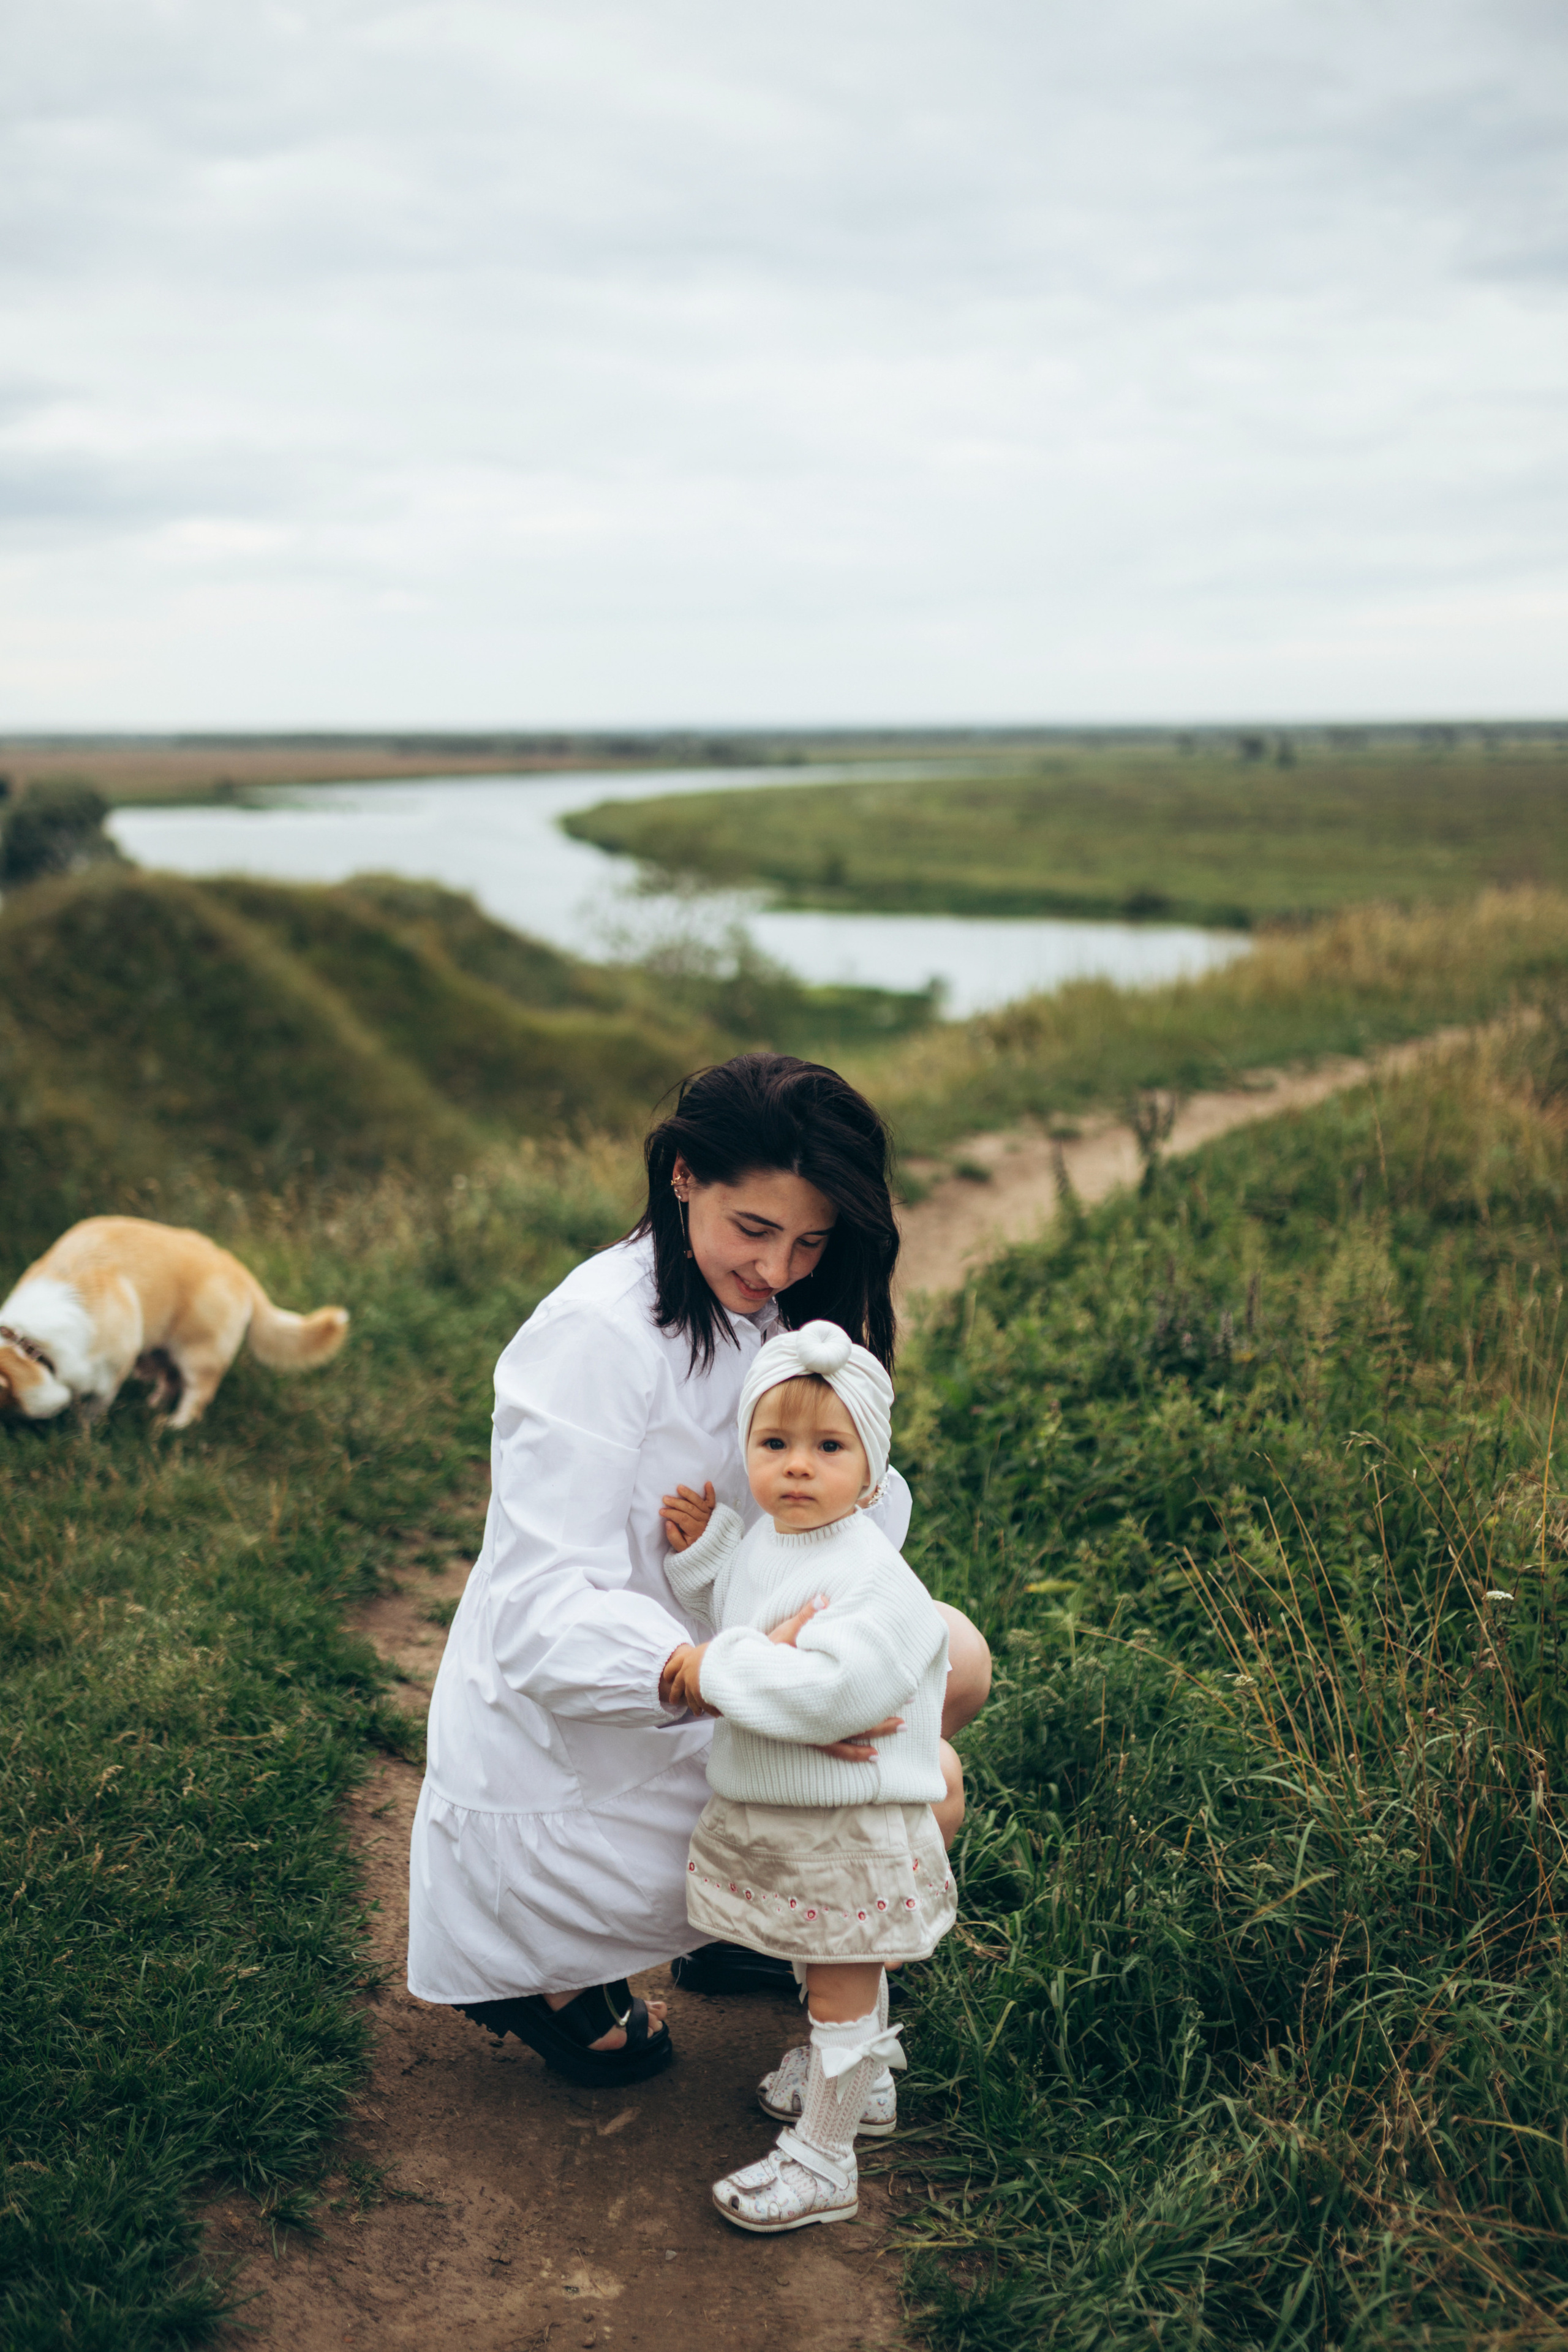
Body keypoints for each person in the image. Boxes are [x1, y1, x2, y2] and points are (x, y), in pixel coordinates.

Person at [406, 1052, 992, 2086]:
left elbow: (811, 1521)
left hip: (717, 1664)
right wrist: (731, 1682)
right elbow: (539, 1618)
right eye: (755, 1231)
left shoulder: (762, 1310)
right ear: (682, 1175)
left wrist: (814, 1653)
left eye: (811, 1241)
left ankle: (748, 1924)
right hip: (586, 1738)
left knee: (955, 1662)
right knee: (925, 1787)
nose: (778, 1271)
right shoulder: (594, 1335)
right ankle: (552, 1964)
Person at [662, 1318, 956, 2231]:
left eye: (828, 1447)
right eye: (773, 1442)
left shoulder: (875, 1577)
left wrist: (708, 1668)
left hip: (848, 1826)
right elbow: (749, 1612)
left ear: (872, 1472)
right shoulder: (774, 1541)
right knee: (820, 1964)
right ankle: (861, 2085)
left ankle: (826, 2161)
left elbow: (826, 1691)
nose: (796, 1465)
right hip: (796, 1815)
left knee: (835, 1983)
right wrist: (710, 1551)